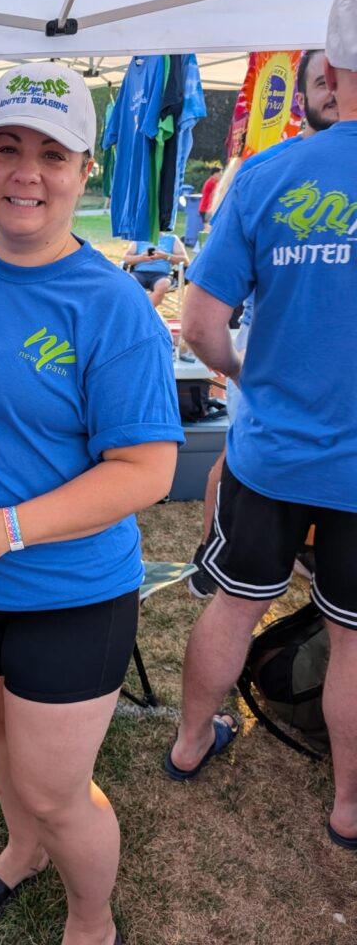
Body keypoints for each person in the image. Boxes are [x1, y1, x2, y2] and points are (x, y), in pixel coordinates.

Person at [0, 62, 184, 945]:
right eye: (7, 147)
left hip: (70, 588)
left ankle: (91, 917)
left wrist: (13, 528)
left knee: (58, 789)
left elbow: (145, 470)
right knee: (1, 737)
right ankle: (20, 850)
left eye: (52, 154)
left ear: (85, 169)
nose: (26, 172)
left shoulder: (111, 308)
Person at [165, 0, 357, 855]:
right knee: (353, 641)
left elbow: (199, 325)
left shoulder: (270, 174)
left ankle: (189, 742)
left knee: (234, 607)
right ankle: (348, 806)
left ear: (328, 70)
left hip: (271, 450)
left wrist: (253, 374)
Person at [187, 47, 339, 599]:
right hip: (272, 417)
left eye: (336, 80)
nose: (332, 92)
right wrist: (237, 369)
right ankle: (211, 559)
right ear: (300, 98)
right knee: (229, 475)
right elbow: (204, 314)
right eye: (320, 82)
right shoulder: (263, 174)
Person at [122, 231, 189, 307]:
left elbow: (185, 261)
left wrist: (165, 256)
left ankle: (143, 311)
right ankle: (143, 312)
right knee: (128, 282)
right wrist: (141, 258)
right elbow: (126, 258)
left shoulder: (172, 239)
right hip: (139, 273)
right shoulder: (139, 239)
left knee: (163, 285)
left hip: (162, 275)